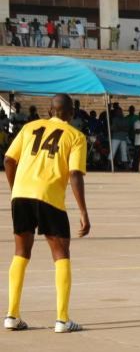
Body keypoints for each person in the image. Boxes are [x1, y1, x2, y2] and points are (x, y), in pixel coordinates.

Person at [3, 94, 90, 333]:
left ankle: (12, 315)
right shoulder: (76, 137)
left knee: (21, 252)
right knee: (61, 253)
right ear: (71, 113)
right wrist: (83, 211)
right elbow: (74, 174)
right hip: (49, 196)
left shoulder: (30, 127)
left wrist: (16, 190)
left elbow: (9, 159)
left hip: (21, 194)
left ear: (50, 111)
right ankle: (62, 319)